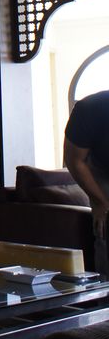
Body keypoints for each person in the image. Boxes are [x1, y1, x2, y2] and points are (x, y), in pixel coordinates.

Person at [64, 90, 109, 276]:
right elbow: (74, 160)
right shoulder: (90, 109)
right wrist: (100, 202)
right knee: (106, 224)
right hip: (102, 170)